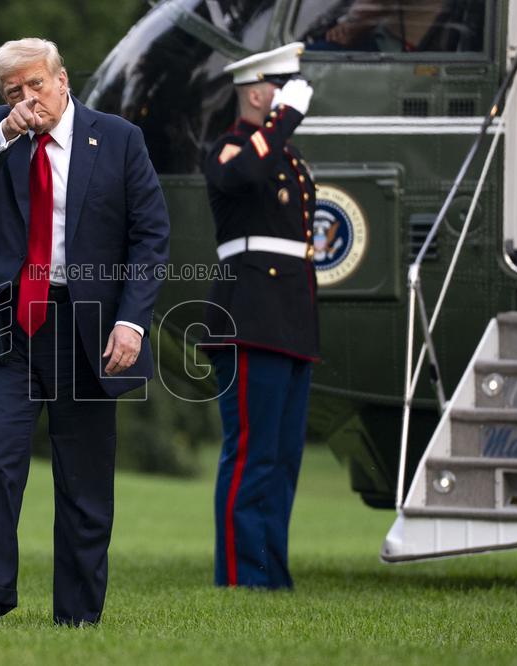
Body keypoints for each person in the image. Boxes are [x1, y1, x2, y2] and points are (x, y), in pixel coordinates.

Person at [0, 38, 170, 626]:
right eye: (13, 90)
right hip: (9, 321)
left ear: (62, 80)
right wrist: (4, 133)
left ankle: (77, 615)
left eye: (35, 84)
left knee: (84, 473)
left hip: (88, 328)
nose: (27, 98)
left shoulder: (118, 139)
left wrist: (131, 322)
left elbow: (150, 237)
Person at [201, 42, 319, 589]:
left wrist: (281, 127)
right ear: (256, 91)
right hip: (249, 313)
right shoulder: (228, 148)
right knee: (251, 452)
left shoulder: (284, 155)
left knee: (283, 457)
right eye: (281, 86)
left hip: (290, 316)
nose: (291, 96)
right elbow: (242, 177)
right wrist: (285, 118)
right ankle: (242, 575)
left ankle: (272, 572)